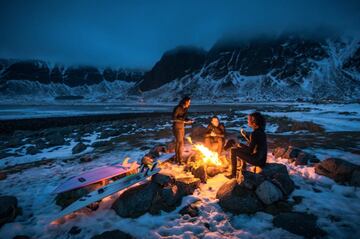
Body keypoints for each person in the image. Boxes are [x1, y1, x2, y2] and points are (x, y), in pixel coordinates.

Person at [227, 112, 267, 179]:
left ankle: (233, 174)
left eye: (249, 120)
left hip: (257, 160)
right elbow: (254, 143)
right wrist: (245, 136)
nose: (247, 121)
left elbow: (249, 151)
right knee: (240, 146)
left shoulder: (254, 133)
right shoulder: (261, 131)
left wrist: (238, 147)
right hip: (262, 159)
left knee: (233, 150)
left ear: (254, 122)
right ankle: (243, 168)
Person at [172, 96, 193, 164]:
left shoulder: (185, 108)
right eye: (189, 102)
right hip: (177, 126)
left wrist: (188, 120)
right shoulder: (178, 108)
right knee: (179, 142)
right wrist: (184, 121)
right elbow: (174, 118)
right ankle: (178, 160)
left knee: (181, 142)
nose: (189, 103)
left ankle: (178, 159)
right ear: (185, 102)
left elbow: (183, 118)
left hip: (181, 126)